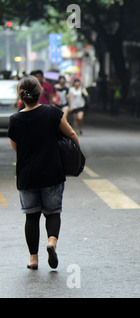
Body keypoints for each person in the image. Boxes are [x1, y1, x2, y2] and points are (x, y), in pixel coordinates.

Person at [8, 75, 80, 270]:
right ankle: (52, 243)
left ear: (20, 96)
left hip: (27, 176)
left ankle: (33, 259)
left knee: (31, 217)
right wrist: (77, 154)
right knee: (52, 213)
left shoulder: (14, 120)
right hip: (52, 172)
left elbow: (16, 148)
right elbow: (71, 134)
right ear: (41, 92)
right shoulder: (53, 113)